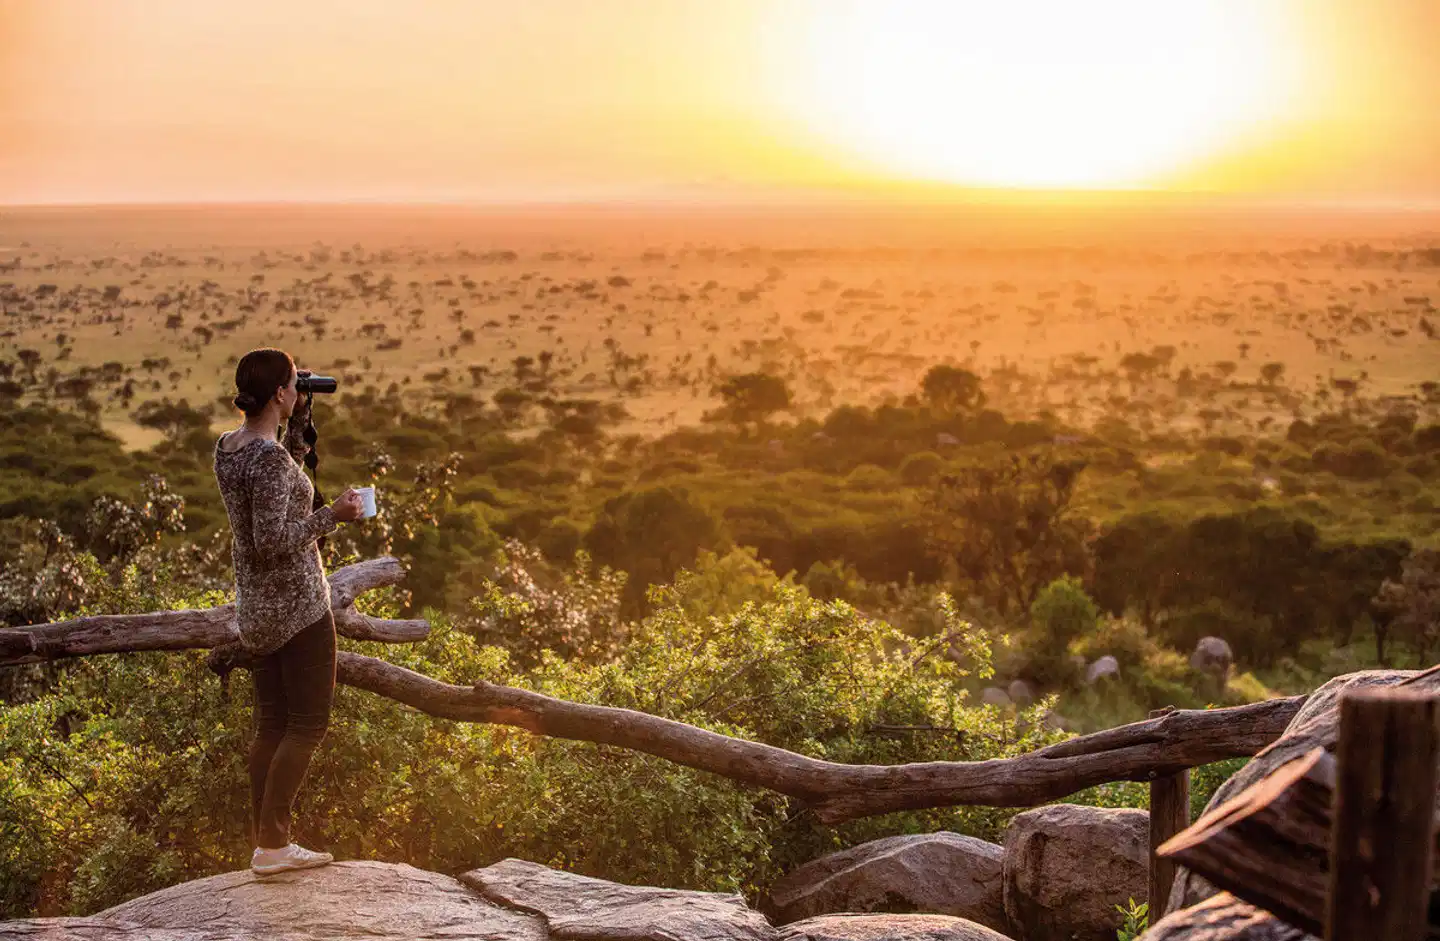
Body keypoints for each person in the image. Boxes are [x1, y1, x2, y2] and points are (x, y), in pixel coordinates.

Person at [212, 348, 364, 876]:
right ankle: (274, 845)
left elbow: (278, 487)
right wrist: (333, 515)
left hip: (257, 609)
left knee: (272, 726)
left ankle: (265, 843)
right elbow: (272, 538)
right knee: (307, 726)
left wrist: (298, 424)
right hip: (298, 607)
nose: (300, 389)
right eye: (296, 384)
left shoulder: (228, 448)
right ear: (279, 393)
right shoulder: (269, 460)